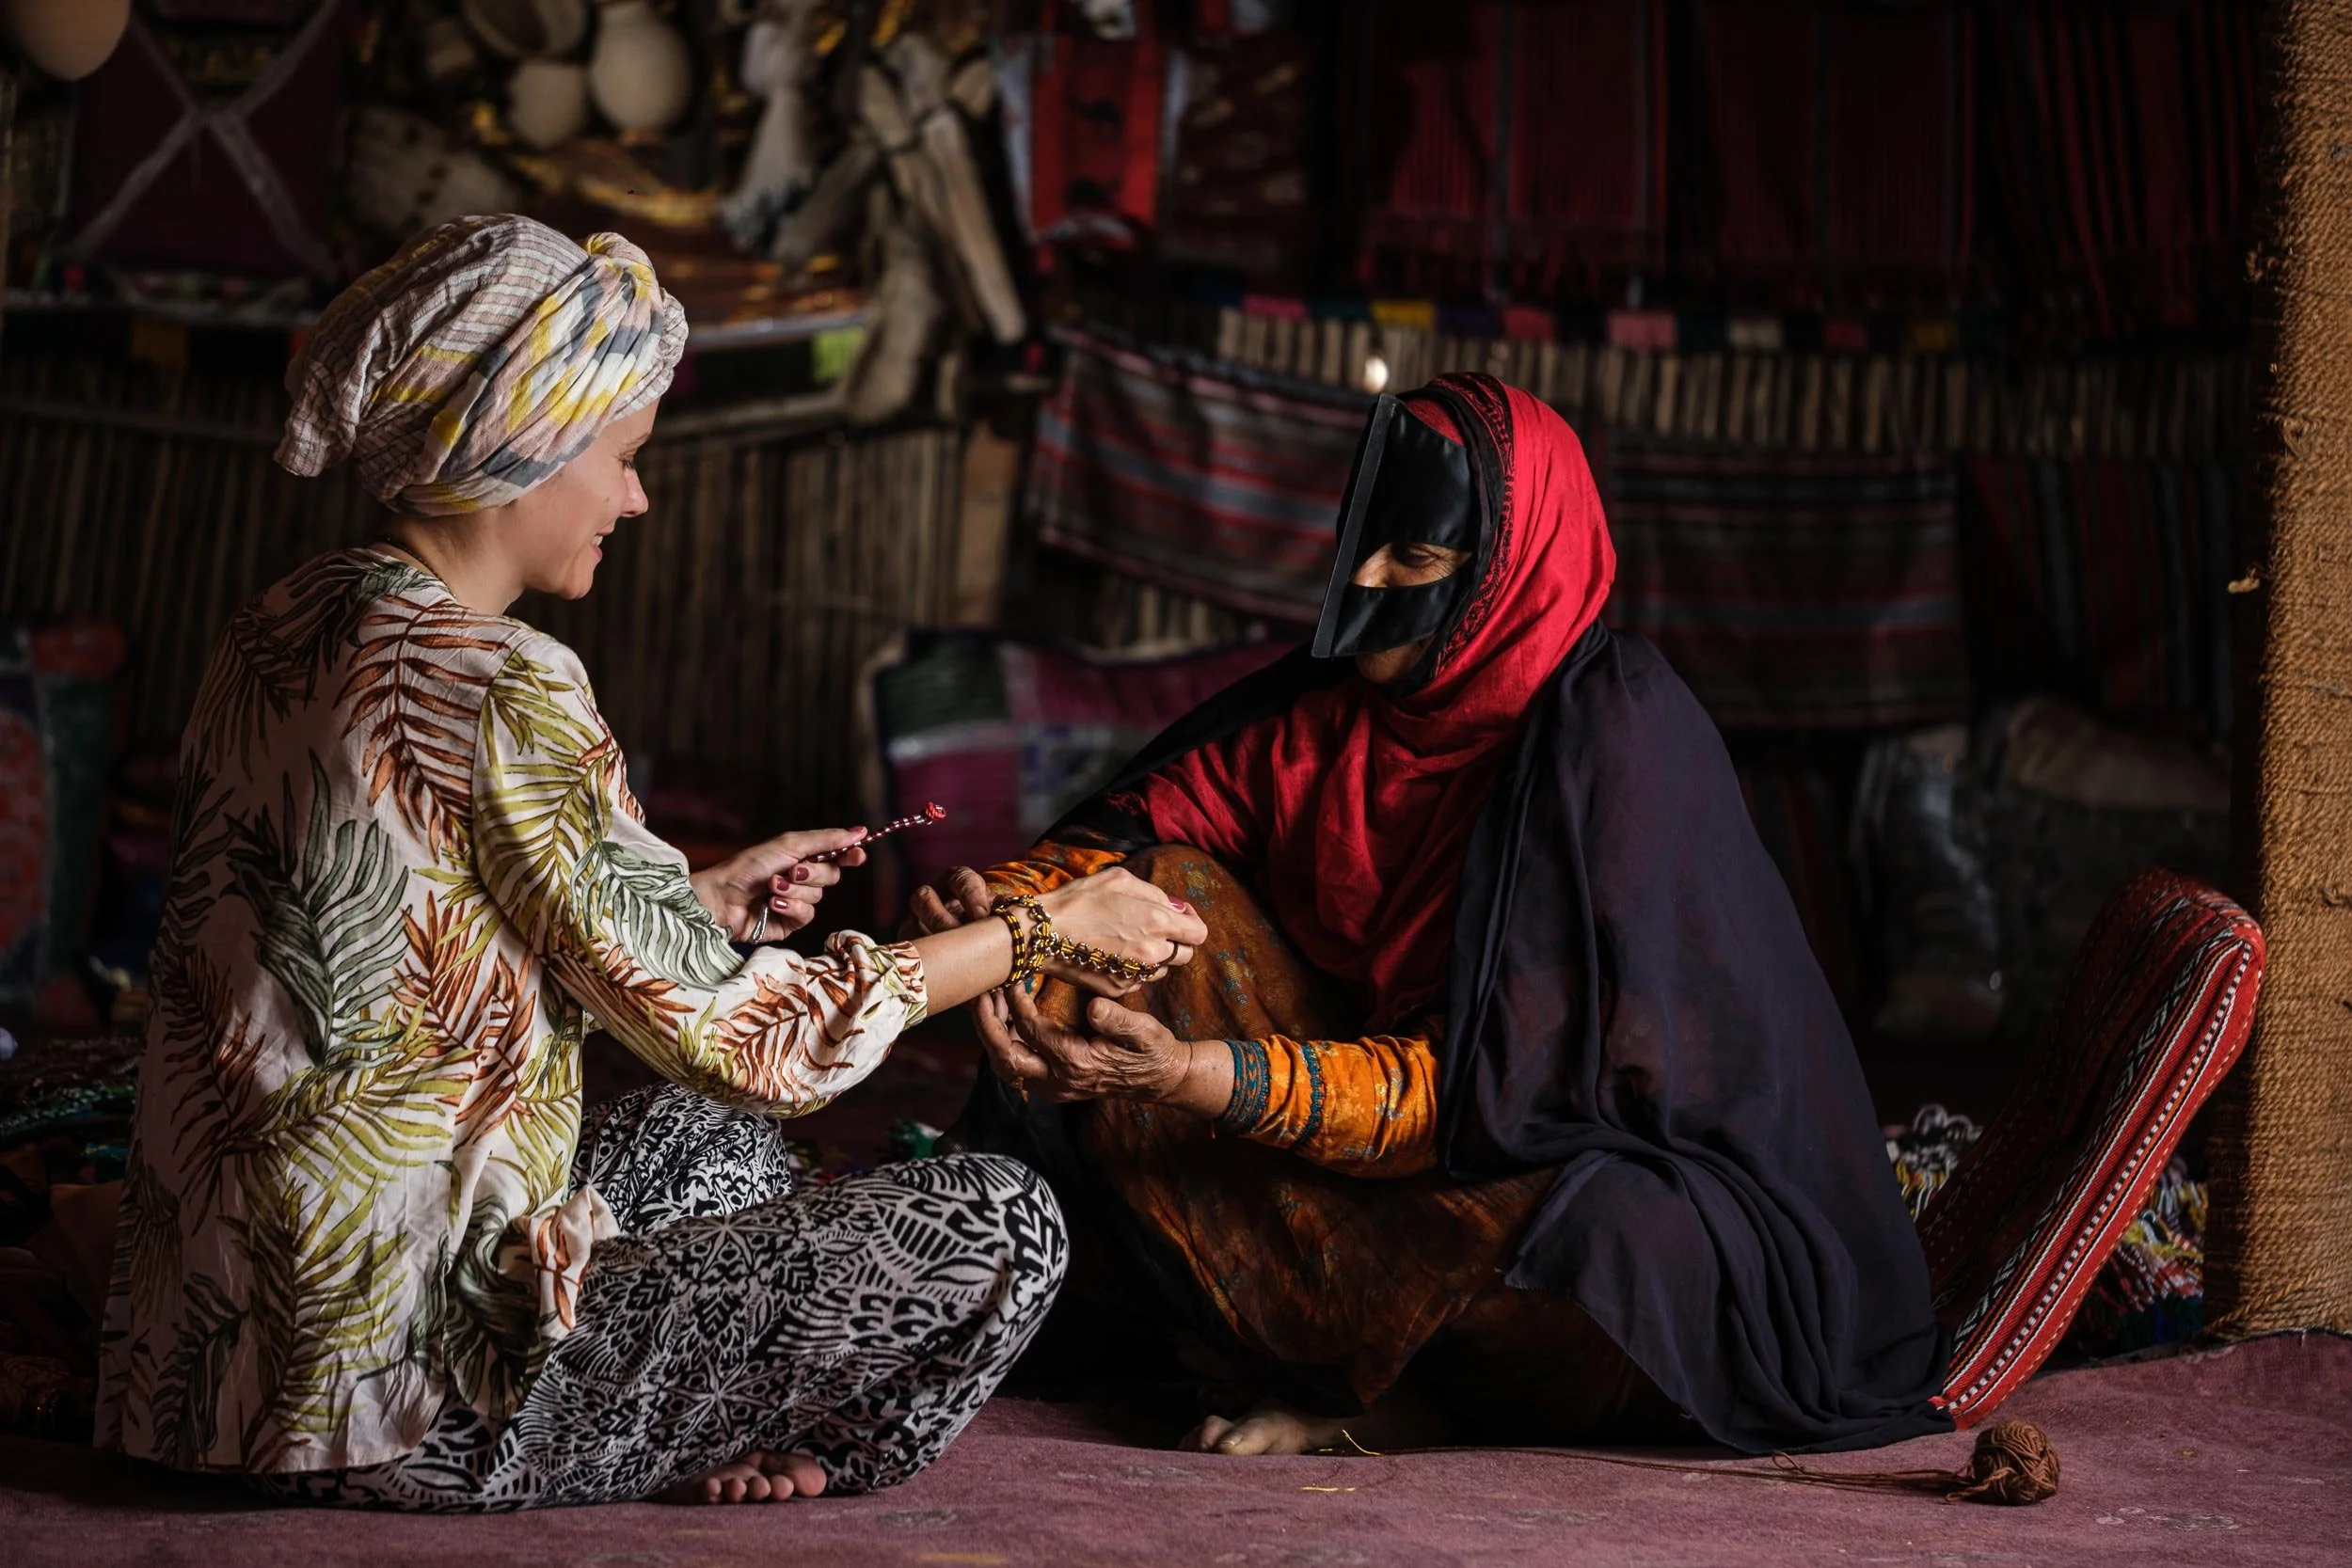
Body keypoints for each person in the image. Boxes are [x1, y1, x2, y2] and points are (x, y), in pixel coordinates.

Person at [94, 214, 1207, 1513]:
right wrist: (1042, 929)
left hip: (209, 1366)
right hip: (399, 1403)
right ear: (527, 446)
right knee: (999, 1217)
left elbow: (412, 914)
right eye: (622, 457)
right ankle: (818, 1444)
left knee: (705, 1141)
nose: (635, 496)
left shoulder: (285, 620)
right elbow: (763, 1053)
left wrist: (696, 896)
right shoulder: (511, 680)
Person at [915, 373, 1950, 1458]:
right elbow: (1127, 847)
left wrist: (1185, 1075)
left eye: (1412, 556)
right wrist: (1014, 910)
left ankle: (1404, 1385)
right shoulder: (1326, 717)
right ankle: (1350, 1349)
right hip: (1357, 1154)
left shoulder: (1610, 748)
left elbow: (1472, 1098)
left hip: (1534, 1165)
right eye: (1365, 536)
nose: (1362, 577)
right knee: (1153, 900)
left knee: (1620, 1251)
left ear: (1510, 573)